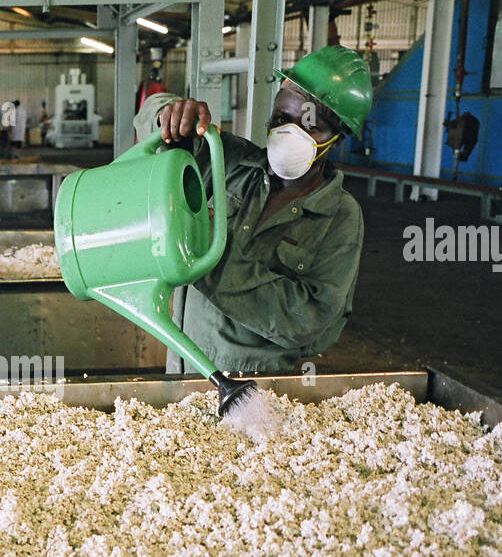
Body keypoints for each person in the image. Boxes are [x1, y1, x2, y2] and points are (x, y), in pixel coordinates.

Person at [132, 45, 373, 375]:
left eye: (309, 125)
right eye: (281, 120)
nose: (290, 133)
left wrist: (212, 256)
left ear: (337, 138)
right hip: (182, 364)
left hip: (257, 383)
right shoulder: (228, 162)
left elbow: (308, 320)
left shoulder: (340, 216)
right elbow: (152, 121)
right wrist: (171, 115)